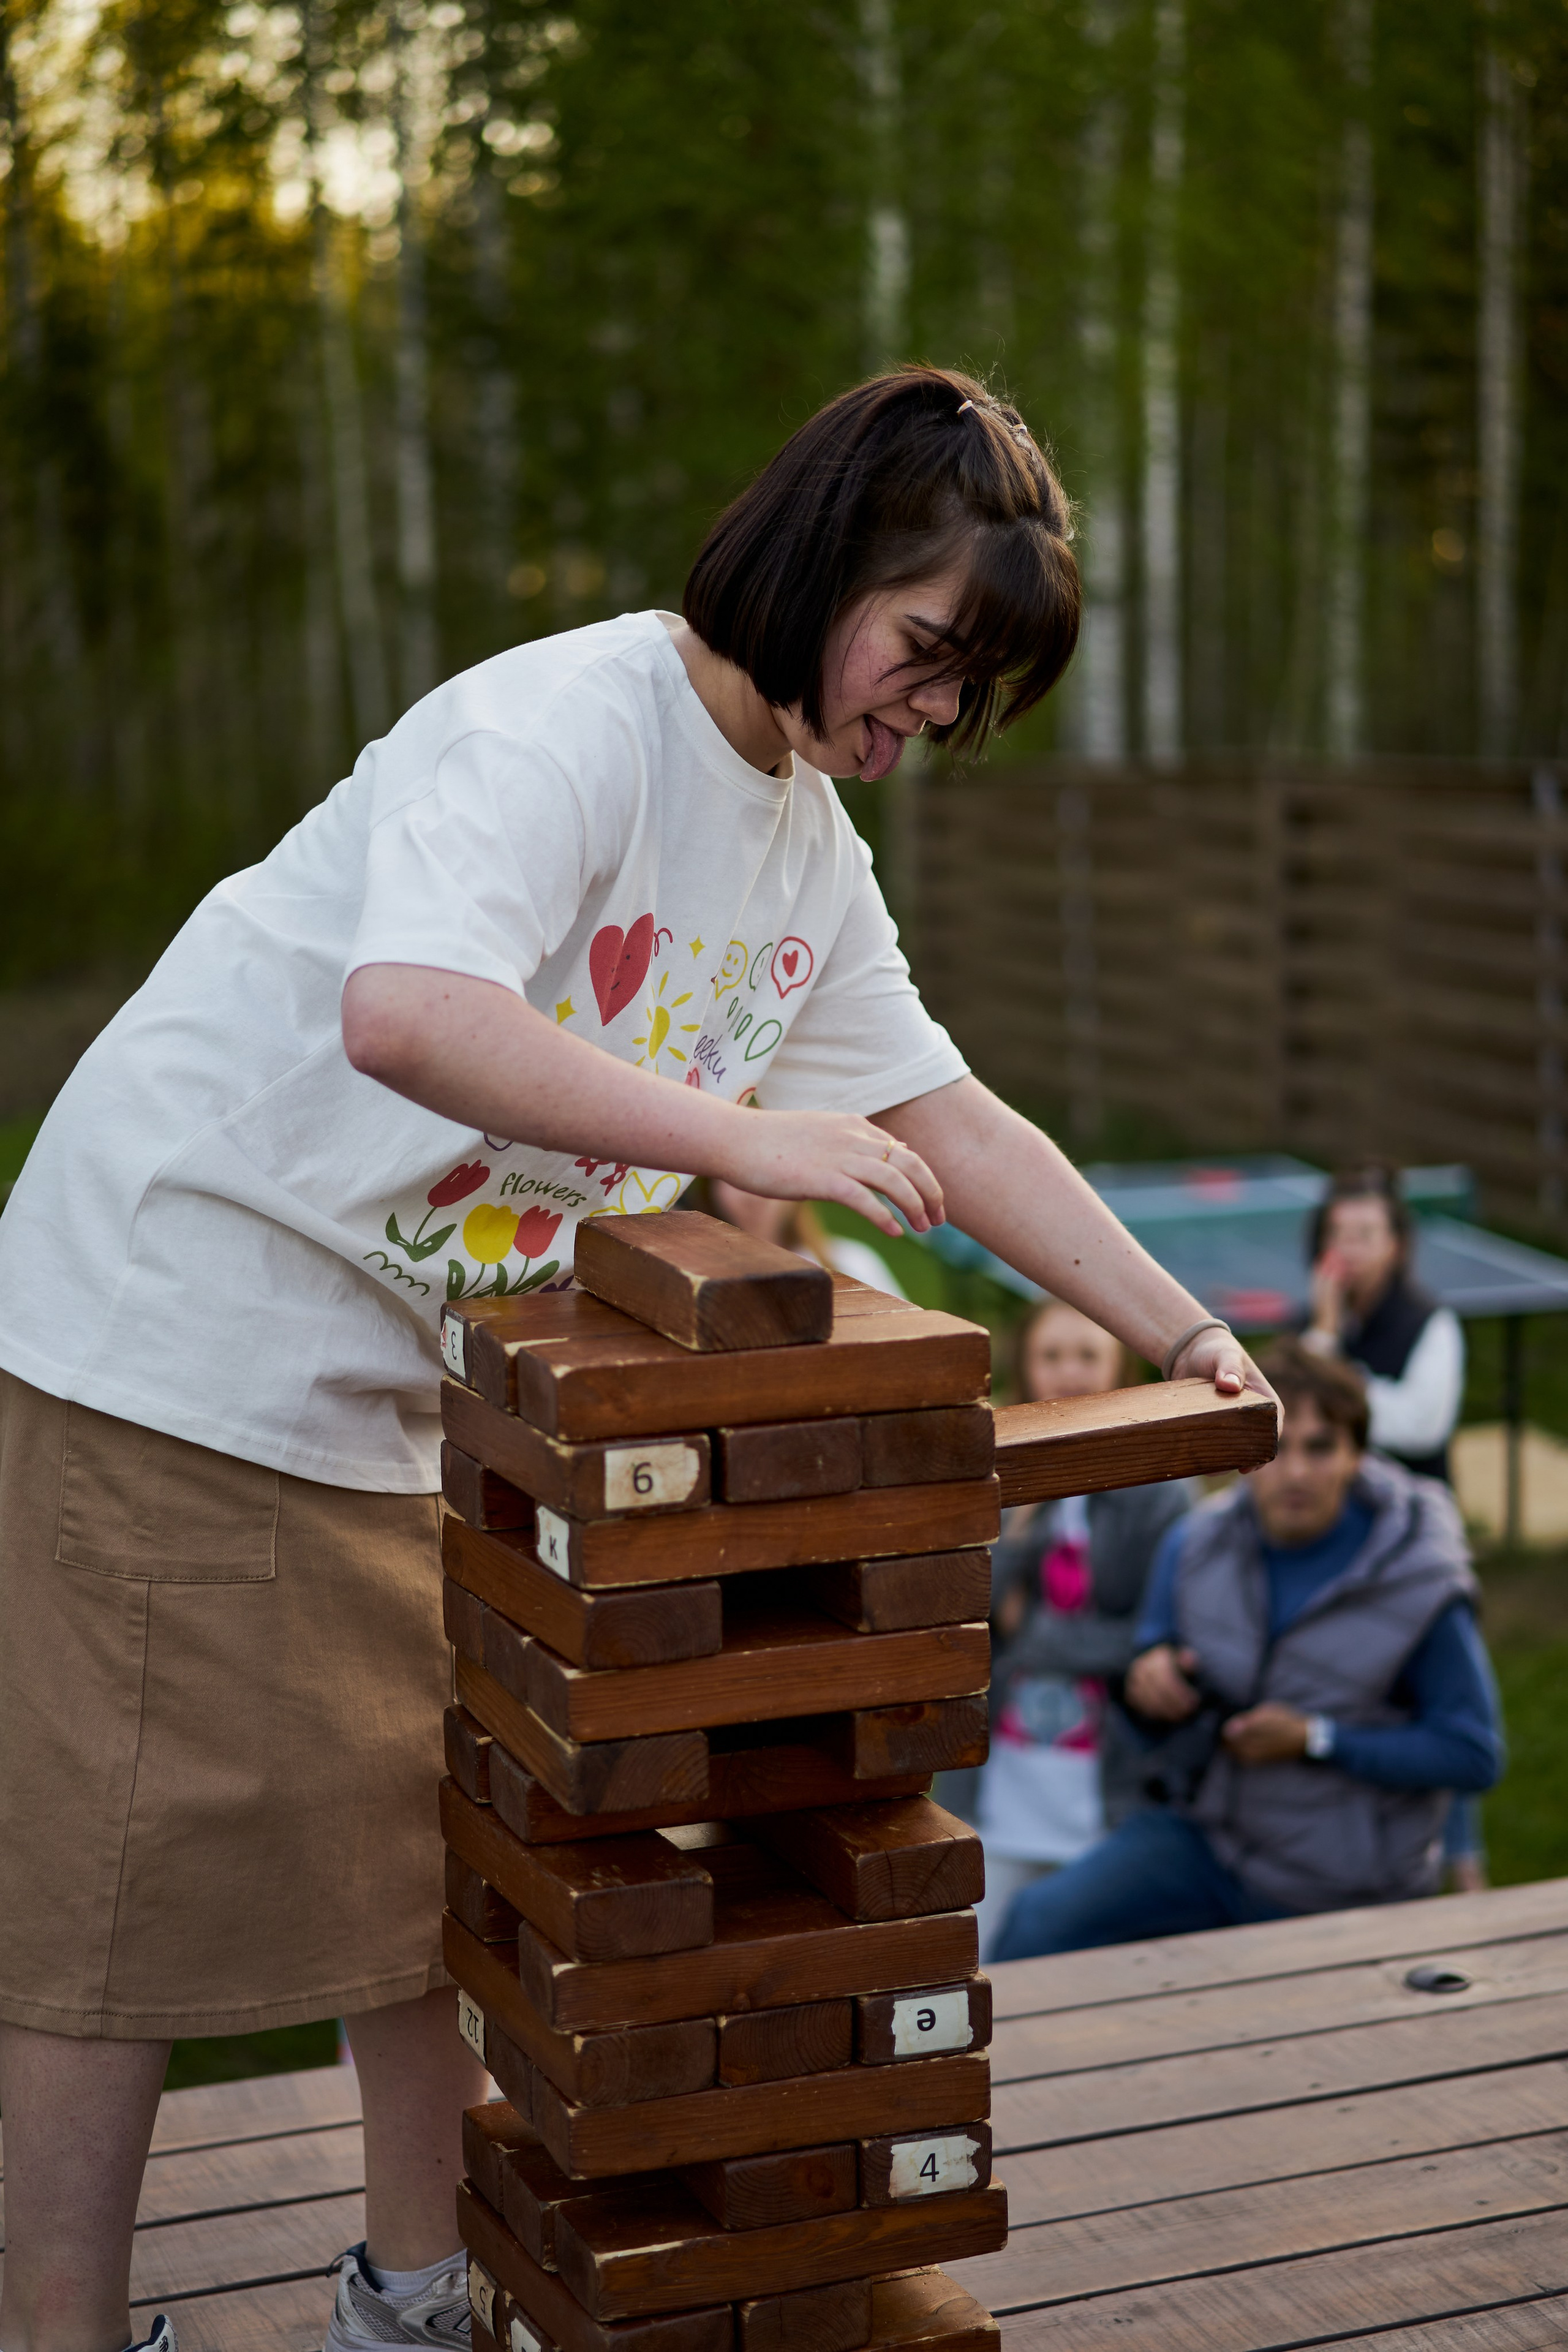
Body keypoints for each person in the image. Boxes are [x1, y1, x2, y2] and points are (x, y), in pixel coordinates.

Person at [0, 364, 1274, 2352]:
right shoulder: (565, 726)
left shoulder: (801, 840)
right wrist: (752, 1140)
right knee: (113, 1901)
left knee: (422, 1866)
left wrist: (1189, 1329)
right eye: (928, 651)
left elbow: (957, 1121)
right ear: (832, 557)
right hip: (176, 1327)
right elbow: (406, 1015)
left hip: (392, 1394)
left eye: (970, 694)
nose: (932, 713)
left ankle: (413, 2294)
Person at [990, 1340, 1504, 1960]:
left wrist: (1317, 1739)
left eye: (1320, 1448)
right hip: (1210, 1843)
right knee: (1036, 1925)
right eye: (1278, 1445)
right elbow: (1151, 1723)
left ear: (1356, 1456)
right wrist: (1149, 1689)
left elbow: (1473, 1754)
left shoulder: (1421, 1580)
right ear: (1248, 1453)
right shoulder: (1195, 1544)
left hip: (1346, 1882)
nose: (1295, 1473)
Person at [972, 1299, 1196, 1953]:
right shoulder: (990, 1472)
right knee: (981, 1959)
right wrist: (1020, 1529)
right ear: (1024, 1367)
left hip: (1109, 1788)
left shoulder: (1161, 1485)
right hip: (1003, 1786)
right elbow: (966, 1610)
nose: (1069, 1373)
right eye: (1051, 1356)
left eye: (1087, 1355)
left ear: (1118, 1364)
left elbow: (1159, 1641)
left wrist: (1033, 1632)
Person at [1303, 1161, 1463, 1481]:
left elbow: (1420, 1428)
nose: (1347, 1248)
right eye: (1336, 1234)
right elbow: (1296, 1412)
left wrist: (1337, 1394)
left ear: (1396, 1246)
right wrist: (1324, 1332)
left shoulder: (1433, 1324)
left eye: (1364, 1235)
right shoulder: (1315, 1317)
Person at [708, 1177, 905, 1295]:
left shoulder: (851, 1261)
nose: (751, 1193)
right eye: (731, 1178)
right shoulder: (705, 1274)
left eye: (771, 1175)